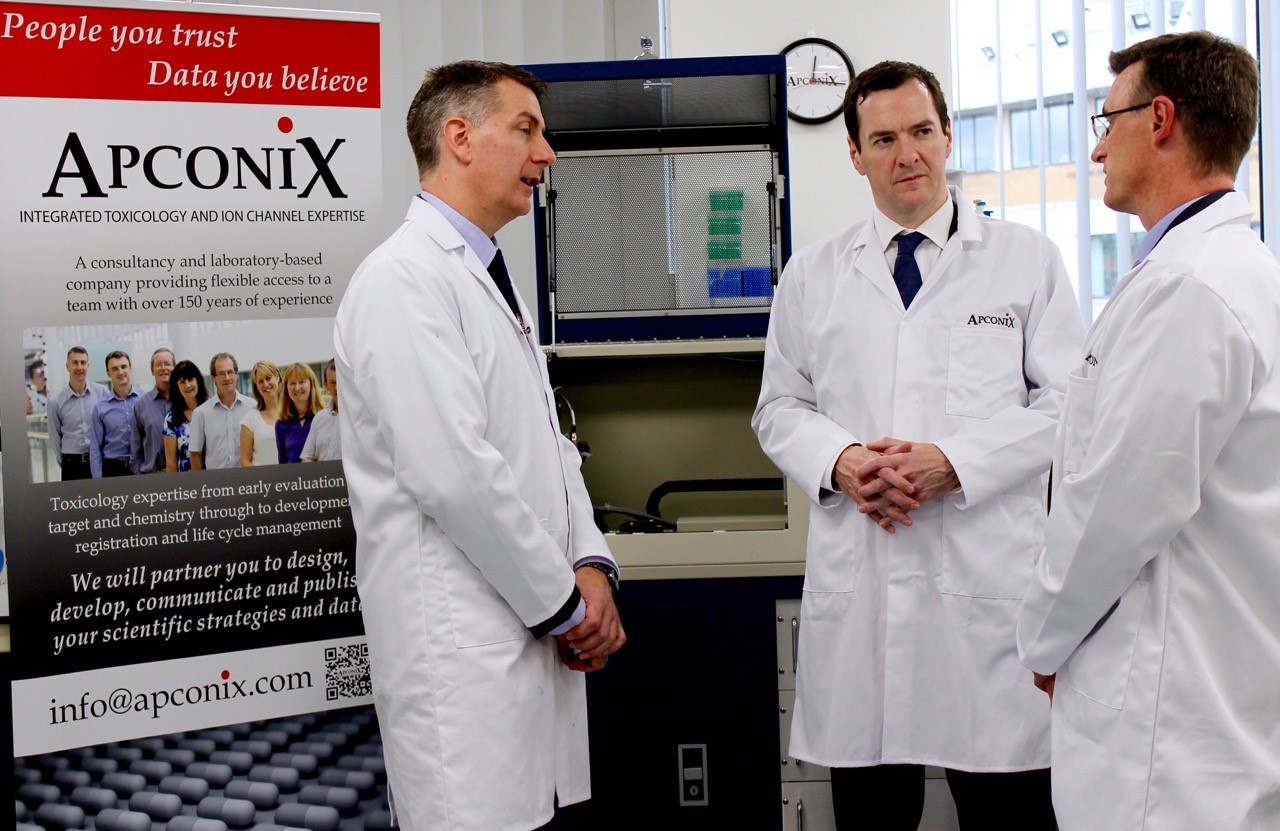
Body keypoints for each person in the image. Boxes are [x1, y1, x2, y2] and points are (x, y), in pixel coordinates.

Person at [752, 60, 1084, 831]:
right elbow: (779, 408)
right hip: (864, 587)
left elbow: (1072, 402)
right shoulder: (812, 275)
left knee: (1008, 812)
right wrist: (842, 462)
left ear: (948, 136)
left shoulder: (1025, 259)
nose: (908, 154)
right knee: (872, 813)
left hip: (985, 591)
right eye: (884, 138)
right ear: (855, 153)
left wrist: (954, 463)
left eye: (922, 131)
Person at [334, 60, 625, 831]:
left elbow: (550, 446)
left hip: (524, 638)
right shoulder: (401, 279)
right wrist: (566, 605)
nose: (546, 153)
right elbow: (454, 474)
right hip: (461, 659)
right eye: (526, 130)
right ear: (459, 138)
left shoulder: (488, 275)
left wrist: (590, 564)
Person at [1016, 32, 1280, 831]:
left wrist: (1041, 641)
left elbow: (1115, 509)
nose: (1098, 147)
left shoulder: (1190, 288)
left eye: (1108, 122)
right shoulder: (1230, 271)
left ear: (1160, 118)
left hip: (1169, 731)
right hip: (1216, 695)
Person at [47, 347, 108, 481]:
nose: (79, 367)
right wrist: (65, 462)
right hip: (71, 466)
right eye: (75, 362)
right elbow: (55, 438)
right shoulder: (55, 402)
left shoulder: (102, 393)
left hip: (98, 462)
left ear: (88, 366)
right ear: (67, 366)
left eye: (83, 363)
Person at [189, 352, 253, 470]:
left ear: (236, 375)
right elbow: (195, 454)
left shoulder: (252, 407)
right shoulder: (200, 413)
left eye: (230, 372)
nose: (227, 378)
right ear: (213, 378)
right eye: (221, 374)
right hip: (215, 480)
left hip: (248, 479)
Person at [89, 351, 140, 478]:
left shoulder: (145, 400)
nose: (120, 372)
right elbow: (95, 448)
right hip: (113, 469)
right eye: (115, 369)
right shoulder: (100, 408)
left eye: (123, 366)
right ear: (108, 373)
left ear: (130, 368)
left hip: (142, 466)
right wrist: (98, 480)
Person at [131, 347, 174, 474]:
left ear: (175, 368)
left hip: (183, 475)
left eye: (167, 364)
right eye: (159, 365)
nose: (163, 368)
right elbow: (135, 448)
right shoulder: (141, 404)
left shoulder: (186, 400)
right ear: (152, 370)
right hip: (152, 476)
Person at [164, 360, 209, 473]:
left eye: (190, 379)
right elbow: (171, 462)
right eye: (182, 382)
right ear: (176, 387)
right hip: (186, 481)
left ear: (198, 380)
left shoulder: (212, 408)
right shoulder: (171, 419)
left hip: (214, 476)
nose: (188, 385)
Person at [274, 362, 322, 464]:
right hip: (293, 475)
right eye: (292, 383)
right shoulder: (281, 425)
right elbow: (282, 465)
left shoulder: (323, 418)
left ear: (311, 384)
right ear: (286, 388)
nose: (297, 387)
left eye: (301, 382)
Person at [240, 360, 282, 466]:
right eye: (260, 381)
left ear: (277, 376)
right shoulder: (250, 420)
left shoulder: (293, 413)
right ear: (256, 386)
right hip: (262, 476)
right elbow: (245, 461)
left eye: (268, 378)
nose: (265, 384)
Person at [300, 359, 341, 462]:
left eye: (340, 382)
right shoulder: (319, 418)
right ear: (326, 384)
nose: (337, 388)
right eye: (332, 383)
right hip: (321, 473)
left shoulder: (360, 417)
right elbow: (307, 457)